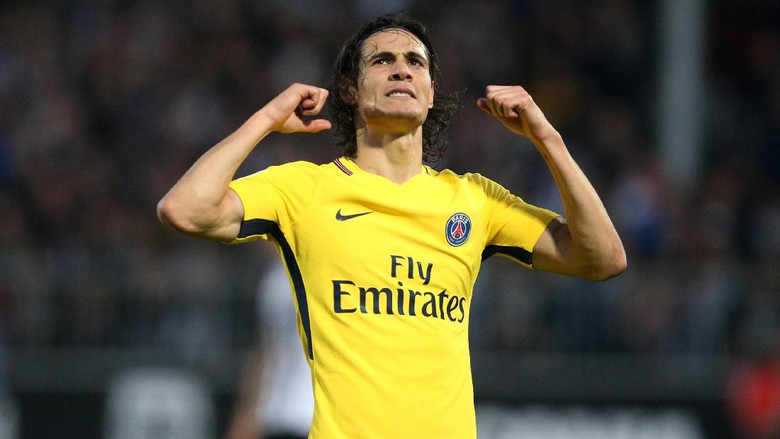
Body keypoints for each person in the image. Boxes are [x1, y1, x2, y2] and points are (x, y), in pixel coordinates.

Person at [157, 13, 626, 438]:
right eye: (382, 61)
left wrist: (548, 139)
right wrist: (264, 120)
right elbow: (184, 209)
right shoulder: (303, 191)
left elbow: (604, 259)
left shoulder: (474, 199)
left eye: (415, 63)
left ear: (430, 92)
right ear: (350, 91)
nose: (402, 70)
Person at [224, 253, 314, 439]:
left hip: (314, 415)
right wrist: (246, 416)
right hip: (278, 416)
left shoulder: (331, 273)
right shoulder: (275, 278)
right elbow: (266, 353)